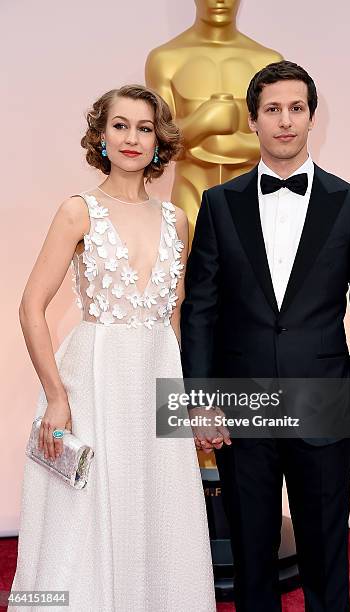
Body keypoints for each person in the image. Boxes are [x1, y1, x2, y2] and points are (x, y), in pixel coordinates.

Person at [180, 61, 350, 611]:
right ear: (253, 120)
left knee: (326, 555)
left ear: (311, 118)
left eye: (296, 108)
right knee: (252, 559)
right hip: (240, 407)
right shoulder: (219, 205)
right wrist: (202, 400)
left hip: (323, 402)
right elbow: (199, 309)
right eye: (272, 109)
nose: (285, 121)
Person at [10, 85, 216, 611]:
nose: (132, 138)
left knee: (159, 509)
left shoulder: (177, 220)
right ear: (101, 136)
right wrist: (56, 397)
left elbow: (175, 315)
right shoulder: (79, 211)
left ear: (158, 142)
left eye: (144, 128)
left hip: (156, 378)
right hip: (93, 383)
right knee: (86, 516)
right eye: (120, 126)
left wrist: (192, 396)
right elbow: (30, 306)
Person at [145, 0, 283, 232]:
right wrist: (204, 121)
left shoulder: (267, 62)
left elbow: (282, 143)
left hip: (252, 197)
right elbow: (164, 148)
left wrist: (225, 143)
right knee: (188, 264)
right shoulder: (165, 59)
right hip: (191, 194)